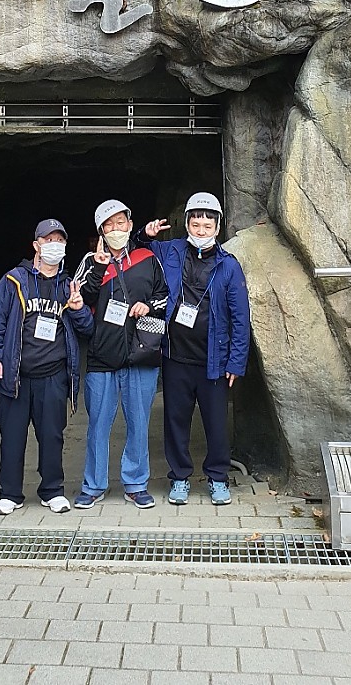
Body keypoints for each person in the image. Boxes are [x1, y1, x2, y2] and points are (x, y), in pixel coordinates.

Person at [137, 192, 250, 507]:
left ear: (217, 227)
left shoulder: (229, 265)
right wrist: (144, 234)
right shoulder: (170, 251)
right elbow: (135, 251)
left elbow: (241, 318)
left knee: (216, 424)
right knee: (175, 421)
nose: (201, 231)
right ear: (186, 224)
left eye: (207, 226)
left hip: (214, 360)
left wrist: (236, 362)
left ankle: (218, 477)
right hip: (176, 356)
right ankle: (180, 477)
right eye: (196, 224)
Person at [0, 217, 93, 514]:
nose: (54, 246)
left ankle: (52, 491)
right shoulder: (14, 280)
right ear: (36, 245)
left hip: (53, 376)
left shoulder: (69, 286)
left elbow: (87, 329)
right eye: (48, 240)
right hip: (16, 374)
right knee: (12, 437)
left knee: (52, 437)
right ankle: (10, 494)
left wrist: (79, 308)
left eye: (60, 241)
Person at [74, 198, 168, 509]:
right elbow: (81, 300)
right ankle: (93, 485)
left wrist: (148, 306)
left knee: (139, 424)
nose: (116, 229)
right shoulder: (90, 262)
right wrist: (99, 267)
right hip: (102, 354)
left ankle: (136, 484)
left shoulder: (147, 258)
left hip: (140, 353)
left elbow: (164, 296)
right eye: (109, 224)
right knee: (98, 425)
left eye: (120, 222)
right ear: (101, 230)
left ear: (130, 224)